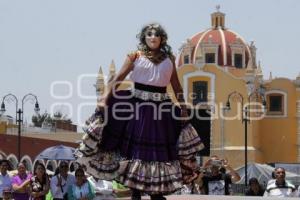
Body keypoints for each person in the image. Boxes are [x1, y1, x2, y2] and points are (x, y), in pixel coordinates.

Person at [75, 23, 204, 200]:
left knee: (159, 152)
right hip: (137, 107)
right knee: (136, 150)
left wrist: (183, 106)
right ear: (144, 37)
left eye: (156, 34)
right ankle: (136, 190)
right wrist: (105, 97)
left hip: (161, 109)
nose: (152, 37)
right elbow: (118, 78)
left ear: (162, 39)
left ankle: (155, 192)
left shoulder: (170, 59)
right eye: (149, 34)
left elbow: (175, 85)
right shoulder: (135, 56)